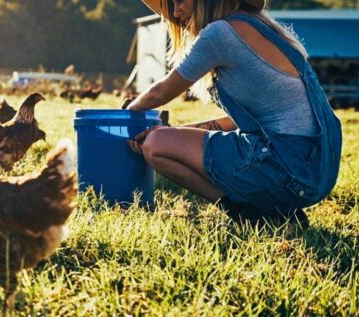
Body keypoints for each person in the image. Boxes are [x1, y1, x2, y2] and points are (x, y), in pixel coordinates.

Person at [125, 0, 342, 227]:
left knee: (156, 145)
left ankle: (247, 213)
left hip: (289, 170)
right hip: (317, 171)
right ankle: (277, 212)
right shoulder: (261, 30)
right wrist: (176, 133)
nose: (175, 12)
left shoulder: (221, 33)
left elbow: (160, 92)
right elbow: (250, 122)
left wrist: (128, 114)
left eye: (179, 1)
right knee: (164, 138)